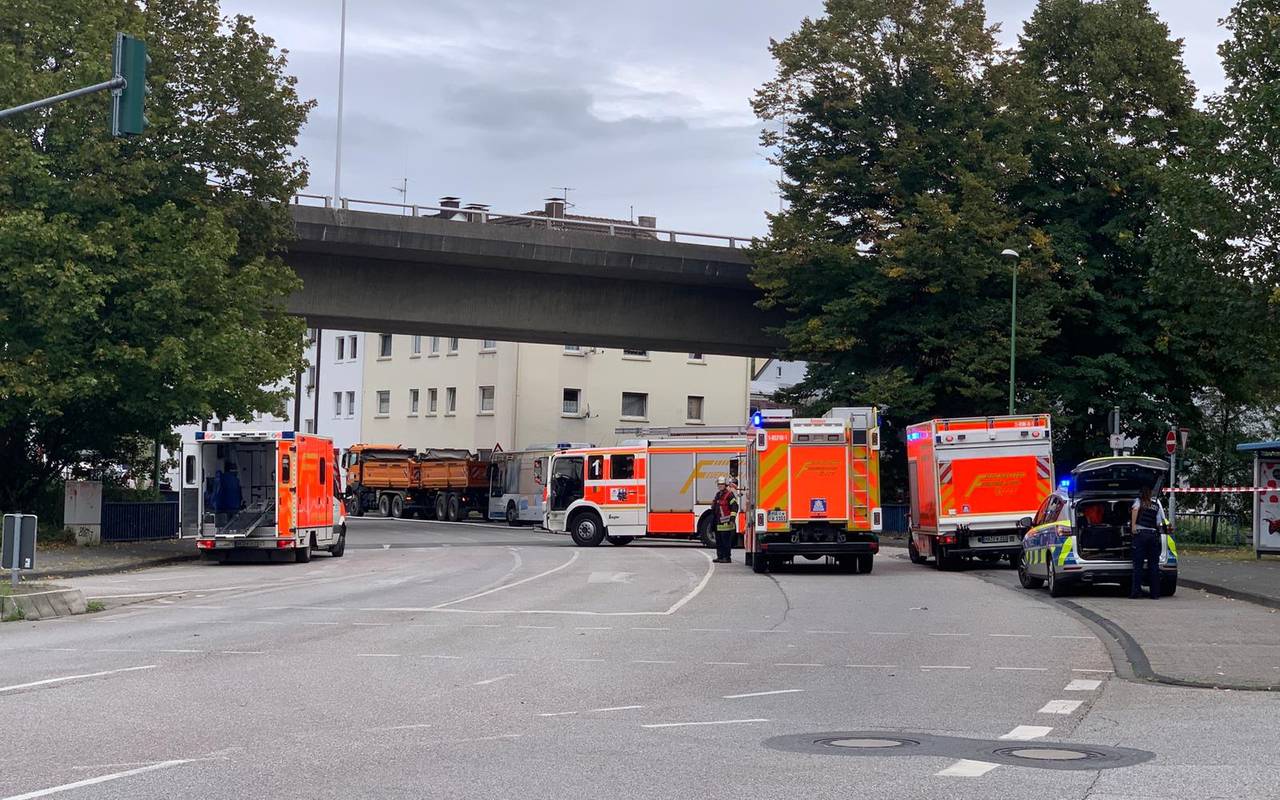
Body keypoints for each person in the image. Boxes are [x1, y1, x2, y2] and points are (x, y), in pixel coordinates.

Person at [1129, 484, 1166, 599]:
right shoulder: (1156, 506)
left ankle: (1136, 592)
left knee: (1138, 565)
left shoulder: (1138, 501)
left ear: (1141, 493)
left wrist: (1133, 526)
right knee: (1153, 565)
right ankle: (1155, 594)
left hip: (1141, 535)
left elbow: (1135, 510)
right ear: (1150, 494)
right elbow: (1159, 522)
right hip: (1152, 535)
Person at [712, 476, 739, 564]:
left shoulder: (729, 495)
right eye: (719, 484)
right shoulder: (718, 495)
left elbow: (735, 507)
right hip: (718, 522)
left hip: (726, 522)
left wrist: (732, 518)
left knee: (725, 541)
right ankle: (720, 557)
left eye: (722, 484)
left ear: (725, 485)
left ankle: (727, 557)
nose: (720, 486)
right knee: (719, 540)